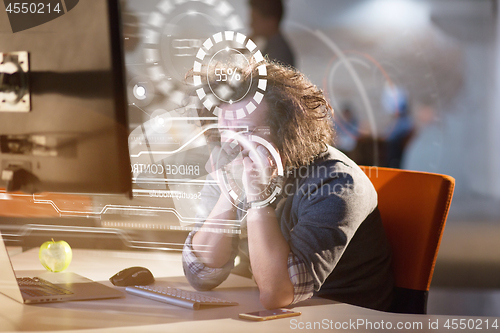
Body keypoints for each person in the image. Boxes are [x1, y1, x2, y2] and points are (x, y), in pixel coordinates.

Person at [182, 60, 394, 311]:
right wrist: (229, 195)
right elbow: (201, 274)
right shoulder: (233, 164)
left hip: (346, 319)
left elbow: (276, 294)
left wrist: (256, 197)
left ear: (287, 132)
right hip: (282, 318)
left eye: (246, 131)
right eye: (226, 131)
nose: (233, 145)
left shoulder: (337, 183)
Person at [248, 0, 295, 67]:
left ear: (271, 22)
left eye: (254, 20)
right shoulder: (276, 47)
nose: (251, 25)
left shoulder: (278, 54)